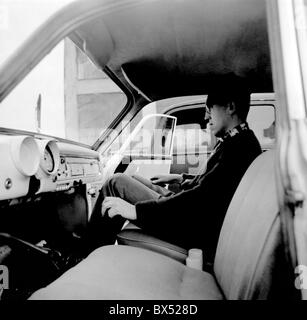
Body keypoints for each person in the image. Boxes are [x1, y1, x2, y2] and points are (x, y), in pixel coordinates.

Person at [85, 73, 262, 262]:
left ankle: (86, 256)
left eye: (209, 109)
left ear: (230, 107)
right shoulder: (238, 142)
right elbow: (213, 186)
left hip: (193, 224)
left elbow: (203, 197)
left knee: (116, 183)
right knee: (132, 180)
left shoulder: (240, 148)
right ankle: (93, 253)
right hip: (192, 214)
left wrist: (136, 211)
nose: (205, 117)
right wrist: (179, 179)